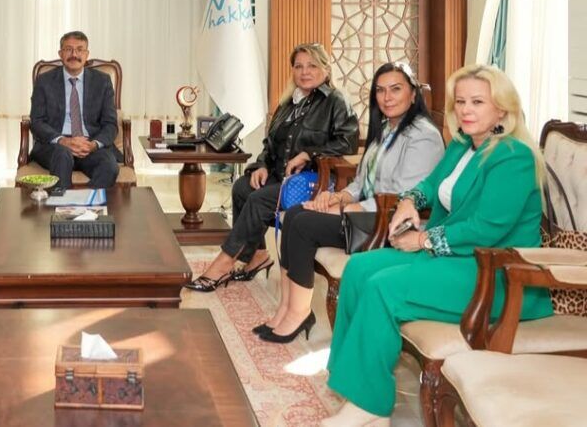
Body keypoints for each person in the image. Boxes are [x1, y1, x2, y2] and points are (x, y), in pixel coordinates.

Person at [322, 64, 552, 426]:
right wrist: (410, 200)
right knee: (359, 268)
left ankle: (370, 406)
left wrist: (424, 239)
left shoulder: (513, 156)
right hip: (457, 258)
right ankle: (358, 390)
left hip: (497, 274)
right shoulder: (463, 145)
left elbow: (487, 229)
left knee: (383, 288)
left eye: (478, 102)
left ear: (502, 109)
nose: (466, 110)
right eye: (460, 101)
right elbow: (430, 185)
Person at [257, 62, 444, 343]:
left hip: (392, 222)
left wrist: (351, 209)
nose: (387, 97)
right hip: (369, 213)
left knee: (303, 225)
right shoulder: (386, 129)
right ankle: (287, 307)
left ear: (413, 94)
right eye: (380, 90)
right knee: (294, 213)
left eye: (395, 89)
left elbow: (405, 197)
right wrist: (338, 197)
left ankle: (299, 312)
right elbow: (362, 182)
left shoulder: (423, 136)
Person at [185, 43, 359, 292]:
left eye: (312, 65)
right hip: (279, 177)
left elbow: (347, 142)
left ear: (326, 69)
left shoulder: (335, 101)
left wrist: (308, 153)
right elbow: (270, 143)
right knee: (242, 188)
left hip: (311, 182)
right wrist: (261, 165)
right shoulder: (289, 103)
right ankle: (258, 255)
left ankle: (223, 264)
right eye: (298, 66)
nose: (304, 72)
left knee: (258, 200)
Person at [29, 31, 120, 190]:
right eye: (68, 49)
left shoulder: (102, 81)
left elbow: (110, 123)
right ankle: (61, 204)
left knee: (109, 166)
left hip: (89, 144)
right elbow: (37, 121)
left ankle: (86, 202)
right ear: (60, 54)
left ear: (87, 54)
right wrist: (63, 141)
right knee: (62, 155)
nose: (74, 55)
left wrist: (93, 145)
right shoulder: (44, 81)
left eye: (79, 49)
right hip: (55, 145)